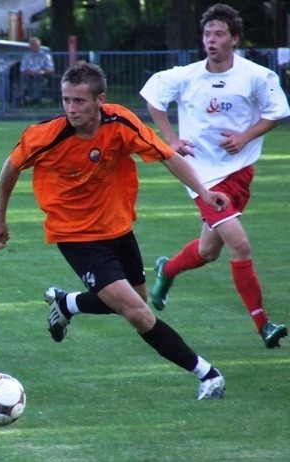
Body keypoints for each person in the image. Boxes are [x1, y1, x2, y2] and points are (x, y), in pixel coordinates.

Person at [0, 62, 230, 400]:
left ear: (99, 100)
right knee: (138, 313)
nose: (71, 109)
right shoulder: (45, 136)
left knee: (137, 300)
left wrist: (204, 193)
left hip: (118, 229)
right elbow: (10, 168)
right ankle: (207, 374)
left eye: (79, 101)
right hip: (76, 236)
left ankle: (67, 303)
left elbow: (167, 156)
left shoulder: (120, 122)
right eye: (66, 100)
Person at [140, 3, 289, 348]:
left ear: (234, 39)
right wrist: (171, 139)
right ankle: (264, 325)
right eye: (207, 34)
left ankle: (167, 270)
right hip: (202, 178)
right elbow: (153, 97)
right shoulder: (186, 76)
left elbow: (277, 113)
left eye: (219, 34)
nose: (211, 39)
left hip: (239, 174)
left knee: (209, 251)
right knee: (240, 244)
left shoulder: (254, 76)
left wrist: (245, 137)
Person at [19, 37, 55, 105]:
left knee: (38, 80)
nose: (34, 46)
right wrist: (31, 72)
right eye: (32, 44)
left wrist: (42, 71)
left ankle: (36, 99)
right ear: (30, 46)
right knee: (23, 80)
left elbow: (51, 68)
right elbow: (22, 69)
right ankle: (25, 99)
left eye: (36, 44)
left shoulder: (45, 55)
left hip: (42, 75)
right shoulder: (26, 56)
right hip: (28, 75)